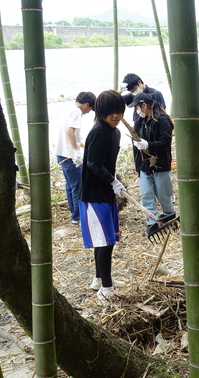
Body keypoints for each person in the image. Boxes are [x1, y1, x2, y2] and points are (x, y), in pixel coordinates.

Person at [79, 90, 128, 299]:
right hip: (93, 193)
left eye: (119, 112)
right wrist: (113, 181)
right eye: (111, 112)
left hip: (106, 192)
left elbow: (108, 164)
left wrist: (115, 182)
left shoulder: (115, 131)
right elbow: (93, 164)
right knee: (105, 241)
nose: (115, 116)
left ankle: (100, 278)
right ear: (101, 112)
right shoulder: (99, 131)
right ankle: (106, 288)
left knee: (107, 238)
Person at [129, 93, 176, 237]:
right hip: (144, 165)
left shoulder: (162, 120)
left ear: (144, 105)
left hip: (160, 163)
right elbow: (135, 140)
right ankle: (151, 222)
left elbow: (165, 142)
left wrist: (148, 145)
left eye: (137, 107)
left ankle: (169, 214)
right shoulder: (140, 120)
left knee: (163, 193)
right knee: (146, 194)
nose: (136, 110)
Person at [55, 91, 95, 224]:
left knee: (70, 186)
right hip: (70, 155)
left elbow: (69, 133)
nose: (89, 112)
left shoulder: (68, 108)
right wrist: (76, 151)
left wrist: (80, 144)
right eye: (90, 109)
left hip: (61, 153)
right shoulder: (77, 111)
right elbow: (69, 132)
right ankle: (78, 216)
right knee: (78, 186)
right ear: (87, 104)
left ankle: (74, 215)